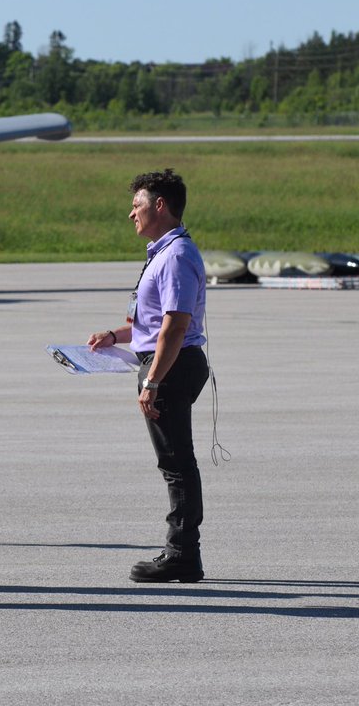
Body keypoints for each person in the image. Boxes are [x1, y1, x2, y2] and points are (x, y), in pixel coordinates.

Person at [87, 168, 209, 583]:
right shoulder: (163, 253)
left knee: (176, 464)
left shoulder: (175, 257)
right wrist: (113, 335)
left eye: (136, 204)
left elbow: (175, 326)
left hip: (171, 367)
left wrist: (152, 381)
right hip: (169, 363)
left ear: (159, 206)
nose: (131, 213)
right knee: (175, 462)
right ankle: (184, 552)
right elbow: (153, 323)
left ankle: (182, 554)